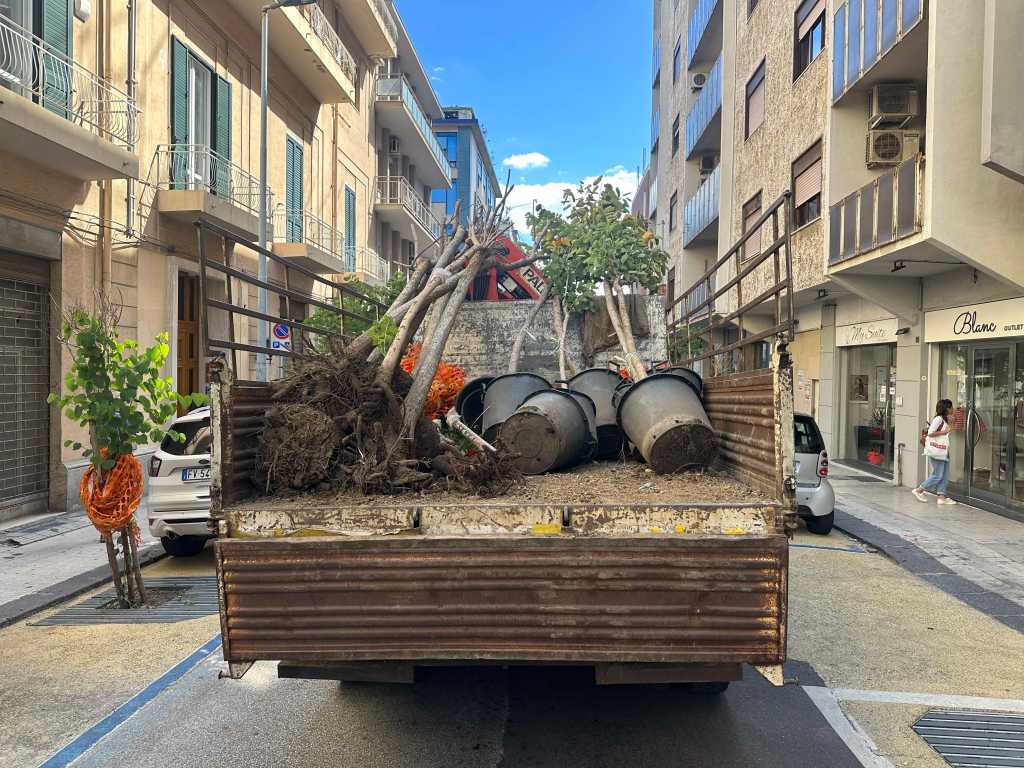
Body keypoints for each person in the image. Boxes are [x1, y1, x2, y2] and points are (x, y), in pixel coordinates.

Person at [913, 399, 956, 505]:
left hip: (943, 450)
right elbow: (931, 433)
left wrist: (950, 424)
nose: (953, 409)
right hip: (936, 450)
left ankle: (941, 497)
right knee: (938, 475)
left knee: (944, 475)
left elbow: (947, 432)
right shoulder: (938, 419)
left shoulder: (945, 419)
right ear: (946, 408)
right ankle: (919, 490)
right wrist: (944, 431)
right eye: (951, 407)